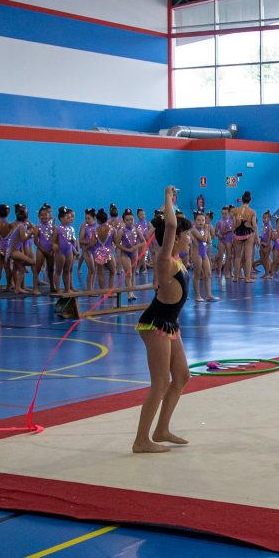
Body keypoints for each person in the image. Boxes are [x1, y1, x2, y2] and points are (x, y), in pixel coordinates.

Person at [133, 186, 194, 454]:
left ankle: (162, 429)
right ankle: (141, 440)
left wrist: (174, 205)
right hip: (155, 324)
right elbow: (169, 225)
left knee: (181, 377)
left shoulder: (178, 259)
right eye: (187, 236)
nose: (190, 239)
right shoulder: (165, 261)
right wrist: (167, 196)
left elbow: (173, 223)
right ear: (177, 238)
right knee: (159, 384)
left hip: (170, 324)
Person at [115, 208, 144, 301]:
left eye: (131, 219)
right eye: (127, 220)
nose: (130, 221)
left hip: (134, 253)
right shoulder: (121, 231)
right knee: (129, 274)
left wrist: (135, 247)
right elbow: (116, 244)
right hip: (125, 254)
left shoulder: (137, 230)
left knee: (133, 275)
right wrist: (126, 249)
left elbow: (144, 242)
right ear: (124, 221)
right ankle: (129, 293)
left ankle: (132, 292)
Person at [231, 191, 257, 282]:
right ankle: (247, 278)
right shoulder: (252, 212)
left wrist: (233, 234)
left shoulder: (234, 211)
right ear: (250, 201)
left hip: (238, 233)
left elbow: (234, 224)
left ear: (241, 200)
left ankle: (235, 277)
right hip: (248, 234)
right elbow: (254, 226)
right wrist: (257, 237)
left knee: (237, 256)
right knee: (248, 256)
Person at [53, 206, 79, 295]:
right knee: (58, 270)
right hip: (60, 252)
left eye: (70, 217)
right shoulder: (57, 228)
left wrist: (75, 250)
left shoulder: (71, 229)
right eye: (67, 217)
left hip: (69, 252)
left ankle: (67, 289)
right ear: (61, 218)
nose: (70, 219)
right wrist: (55, 245)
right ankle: (58, 289)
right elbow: (53, 240)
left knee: (67, 270)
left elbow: (71, 241)